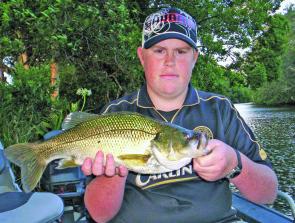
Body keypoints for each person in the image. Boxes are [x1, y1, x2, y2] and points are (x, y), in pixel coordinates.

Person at [81, 7, 278, 223]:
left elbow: (268, 194)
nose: (169, 61)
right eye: (159, 50)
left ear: (194, 57)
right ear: (142, 56)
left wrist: (235, 164)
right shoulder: (116, 114)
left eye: (181, 51)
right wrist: (113, 176)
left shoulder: (220, 109)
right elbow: (99, 215)